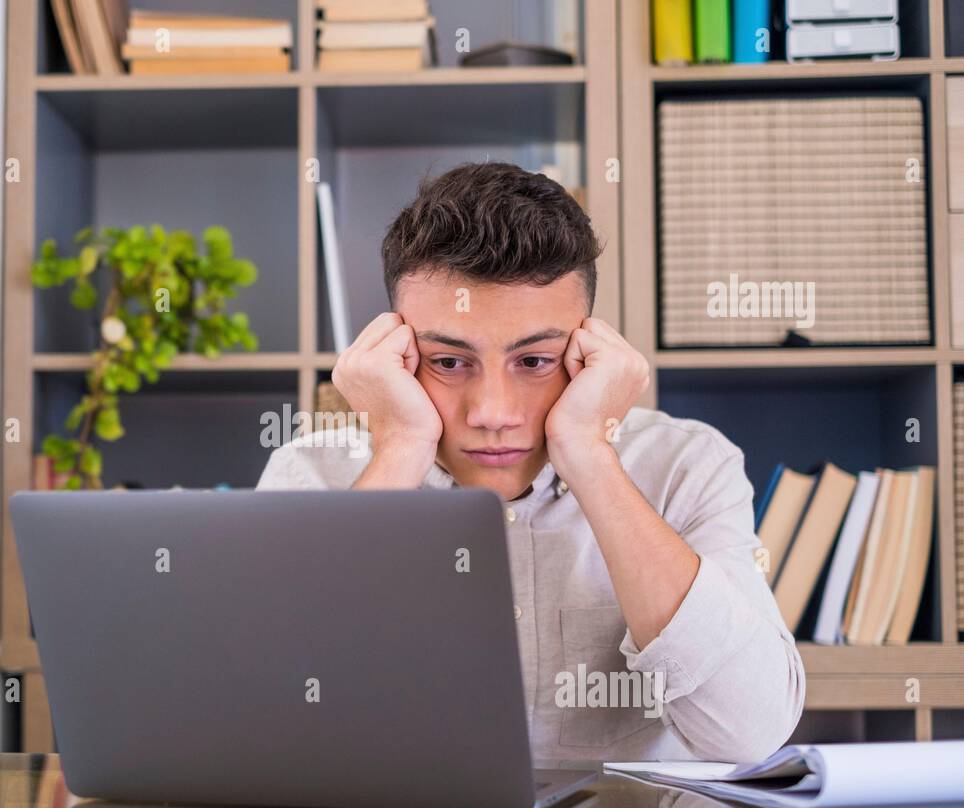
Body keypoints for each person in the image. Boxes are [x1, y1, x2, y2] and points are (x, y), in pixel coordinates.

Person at [256, 161, 805, 762]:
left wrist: (591, 455)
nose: (492, 411)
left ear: (588, 352)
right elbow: (271, 727)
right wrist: (399, 449)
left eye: (535, 361)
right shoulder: (309, 474)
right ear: (398, 353)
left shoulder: (686, 465)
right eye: (448, 361)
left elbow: (749, 734)